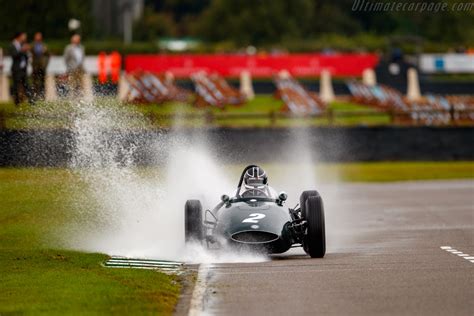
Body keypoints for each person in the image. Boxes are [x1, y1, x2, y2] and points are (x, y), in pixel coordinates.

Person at [9, 32, 30, 105]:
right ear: (19, 37)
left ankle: (31, 100)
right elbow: (14, 55)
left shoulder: (22, 44)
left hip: (23, 69)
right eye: (23, 36)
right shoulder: (12, 45)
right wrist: (22, 50)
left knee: (26, 84)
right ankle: (17, 101)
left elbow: (25, 56)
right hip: (16, 69)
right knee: (16, 85)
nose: (25, 38)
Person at [31, 32, 50, 102]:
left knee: (42, 82)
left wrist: (45, 65)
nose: (38, 38)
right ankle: (34, 96)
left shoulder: (44, 46)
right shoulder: (32, 45)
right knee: (34, 82)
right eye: (37, 36)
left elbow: (48, 56)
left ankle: (42, 96)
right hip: (35, 67)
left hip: (42, 67)